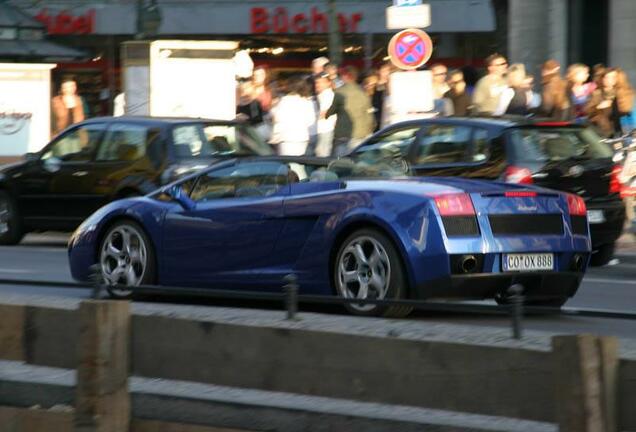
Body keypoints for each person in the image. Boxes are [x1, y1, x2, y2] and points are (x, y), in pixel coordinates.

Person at [270, 77, 316, 155]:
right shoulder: (307, 102)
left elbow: (277, 118)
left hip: (286, 137)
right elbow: (311, 121)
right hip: (302, 136)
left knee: (288, 163)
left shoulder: (284, 101)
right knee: (299, 162)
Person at [586, 68, 635, 137]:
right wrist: (598, 107)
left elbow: (627, 111)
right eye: (606, 77)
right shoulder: (596, 93)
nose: (608, 80)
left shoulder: (625, 93)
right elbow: (588, 111)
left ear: (618, 79)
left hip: (623, 130)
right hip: (602, 132)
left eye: (613, 77)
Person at [336, 66, 374, 148]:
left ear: (346, 76)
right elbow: (369, 116)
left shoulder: (338, 92)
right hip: (359, 134)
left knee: (340, 159)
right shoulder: (363, 93)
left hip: (342, 135)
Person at [314, 73, 336, 157]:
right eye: (316, 82)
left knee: (322, 156)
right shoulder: (321, 95)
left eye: (321, 82)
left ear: (329, 83)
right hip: (321, 130)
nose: (318, 85)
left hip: (325, 130)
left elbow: (325, 113)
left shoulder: (328, 95)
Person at [372, 63, 391, 131]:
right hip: (379, 116)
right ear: (379, 72)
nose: (386, 73)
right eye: (384, 71)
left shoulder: (392, 83)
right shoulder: (376, 85)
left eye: (388, 71)